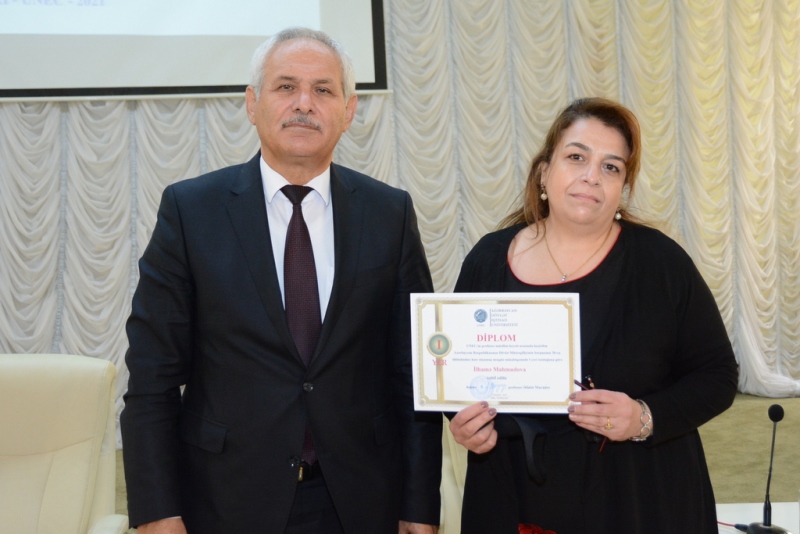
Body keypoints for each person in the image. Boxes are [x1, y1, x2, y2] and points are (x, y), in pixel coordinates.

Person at [120, 27, 441, 534]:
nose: (304, 103)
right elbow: (152, 376)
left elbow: (412, 376)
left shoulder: (390, 213)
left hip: (360, 502)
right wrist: (158, 512)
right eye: (286, 86)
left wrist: (419, 509)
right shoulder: (191, 211)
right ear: (253, 103)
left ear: (348, 111)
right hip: (226, 501)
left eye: (323, 89)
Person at [448, 97, 738, 533]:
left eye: (611, 167)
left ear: (623, 187)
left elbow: (718, 375)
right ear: (544, 172)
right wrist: (464, 424)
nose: (591, 176)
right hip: (512, 499)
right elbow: (457, 378)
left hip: (640, 499)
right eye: (576, 157)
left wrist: (644, 417)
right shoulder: (487, 261)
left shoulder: (661, 264)